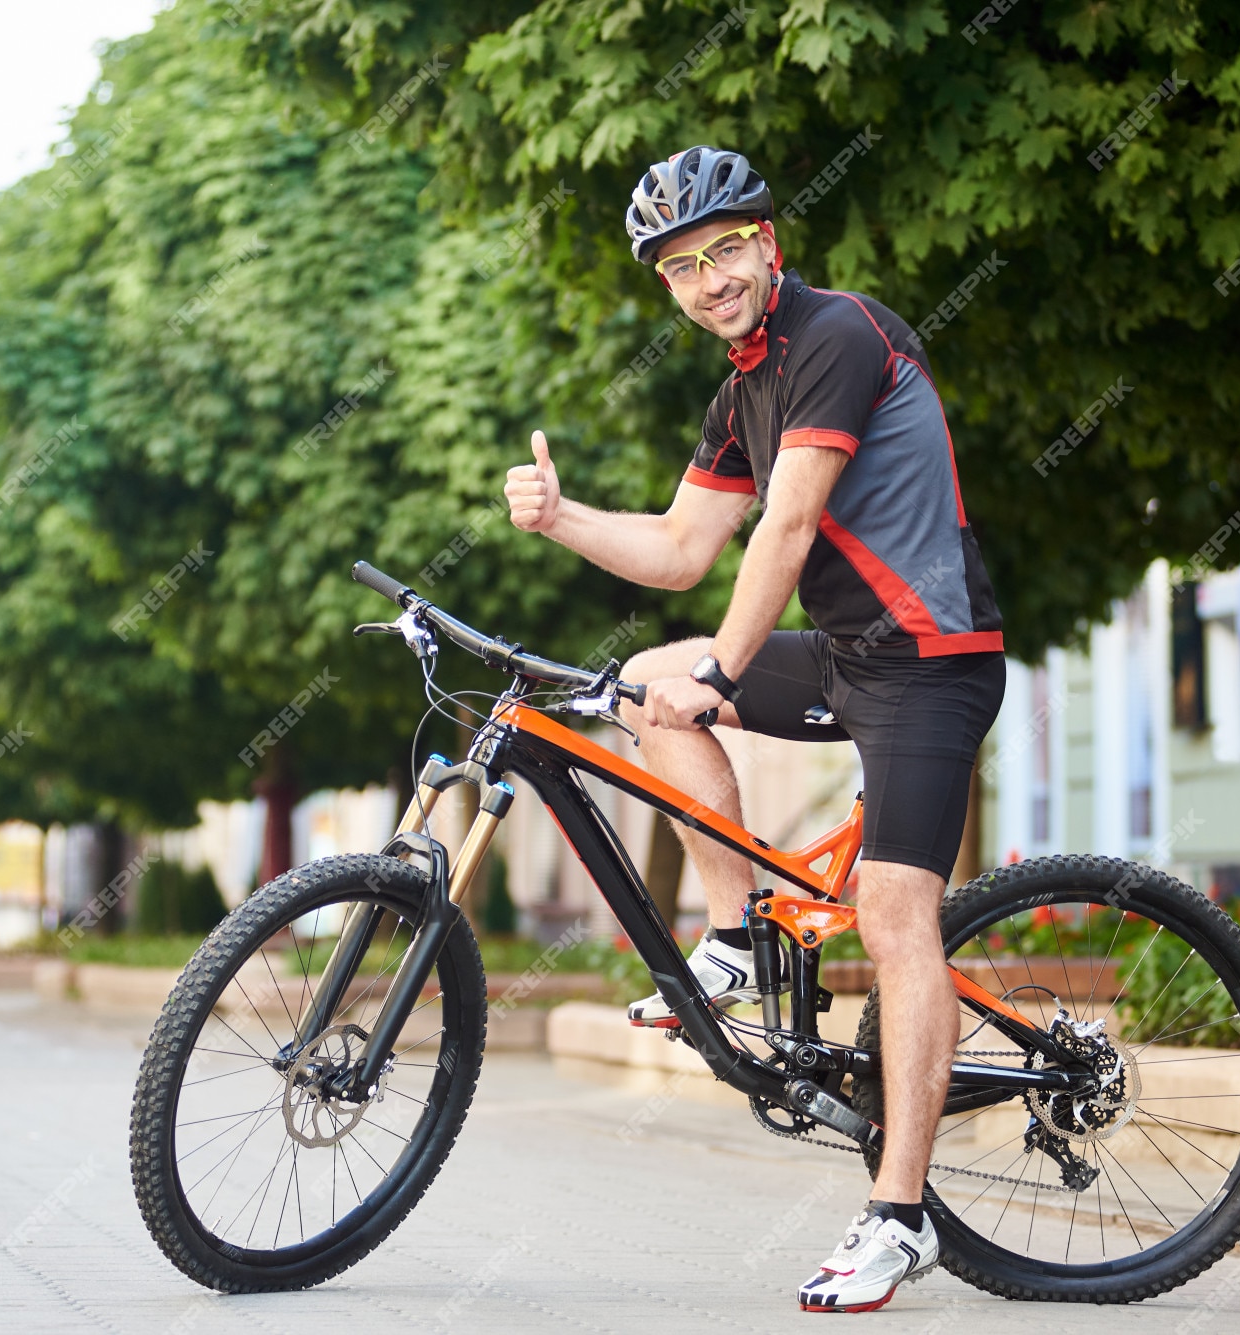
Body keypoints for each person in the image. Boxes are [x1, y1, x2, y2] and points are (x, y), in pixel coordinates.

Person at [503, 146, 1006, 1314]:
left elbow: (782, 531)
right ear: (668, 289)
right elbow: (683, 550)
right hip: (846, 654)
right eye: (681, 265)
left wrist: (724, 669)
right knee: (642, 681)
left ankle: (898, 1217)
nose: (708, 276)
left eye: (724, 247)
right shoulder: (740, 389)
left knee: (892, 909)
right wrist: (563, 519)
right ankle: (732, 938)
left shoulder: (834, 335)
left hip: (931, 659)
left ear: (769, 244)